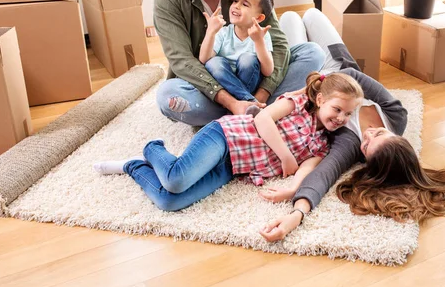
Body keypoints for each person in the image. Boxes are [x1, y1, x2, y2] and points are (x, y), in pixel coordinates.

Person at [259, 9, 445, 241]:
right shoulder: (397, 114)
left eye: (366, 146)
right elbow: (352, 75)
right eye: (378, 133)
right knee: (311, 14)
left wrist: (297, 213)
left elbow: (324, 175)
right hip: (334, 68)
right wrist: (312, 87)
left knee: (289, 18)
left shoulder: (350, 143)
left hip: (307, 80)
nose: (367, 134)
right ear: (398, 137)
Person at [93, 72, 364, 212]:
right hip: (225, 138)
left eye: (348, 113)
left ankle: (134, 166)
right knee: (175, 179)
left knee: (169, 201)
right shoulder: (297, 103)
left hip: (234, 167)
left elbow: (308, 169)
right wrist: (285, 156)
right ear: (320, 100)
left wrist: (292, 190)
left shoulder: (322, 144)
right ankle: (154, 149)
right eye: (337, 109)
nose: (341, 118)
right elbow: (262, 119)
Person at [153, 0, 325, 126]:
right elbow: (181, 60)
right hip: (207, 85)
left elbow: (277, 42)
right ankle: (252, 110)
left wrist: (259, 95)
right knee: (168, 96)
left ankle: (249, 109)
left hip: (253, 74)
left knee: (313, 53)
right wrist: (232, 101)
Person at [199, 0, 274, 104]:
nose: (236, 6)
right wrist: (210, 32)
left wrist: (258, 41)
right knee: (213, 62)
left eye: (245, 4)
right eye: (235, 1)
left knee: (247, 59)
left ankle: (238, 104)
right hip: (225, 86)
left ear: (259, 18)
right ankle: (249, 101)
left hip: (250, 82)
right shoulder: (223, 32)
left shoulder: (262, 34)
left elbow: (268, 71)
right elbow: (204, 59)